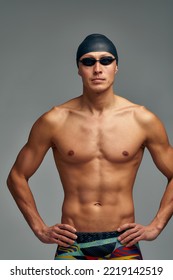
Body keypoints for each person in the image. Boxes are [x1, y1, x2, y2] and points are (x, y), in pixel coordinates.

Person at [7, 34, 173, 260]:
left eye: (106, 60)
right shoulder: (55, 120)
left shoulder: (142, 120)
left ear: (116, 67)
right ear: (78, 69)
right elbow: (16, 176)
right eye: (88, 61)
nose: (97, 68)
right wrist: (39, 228)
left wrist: (156, 226)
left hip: (122, 242)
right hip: (72, 243)